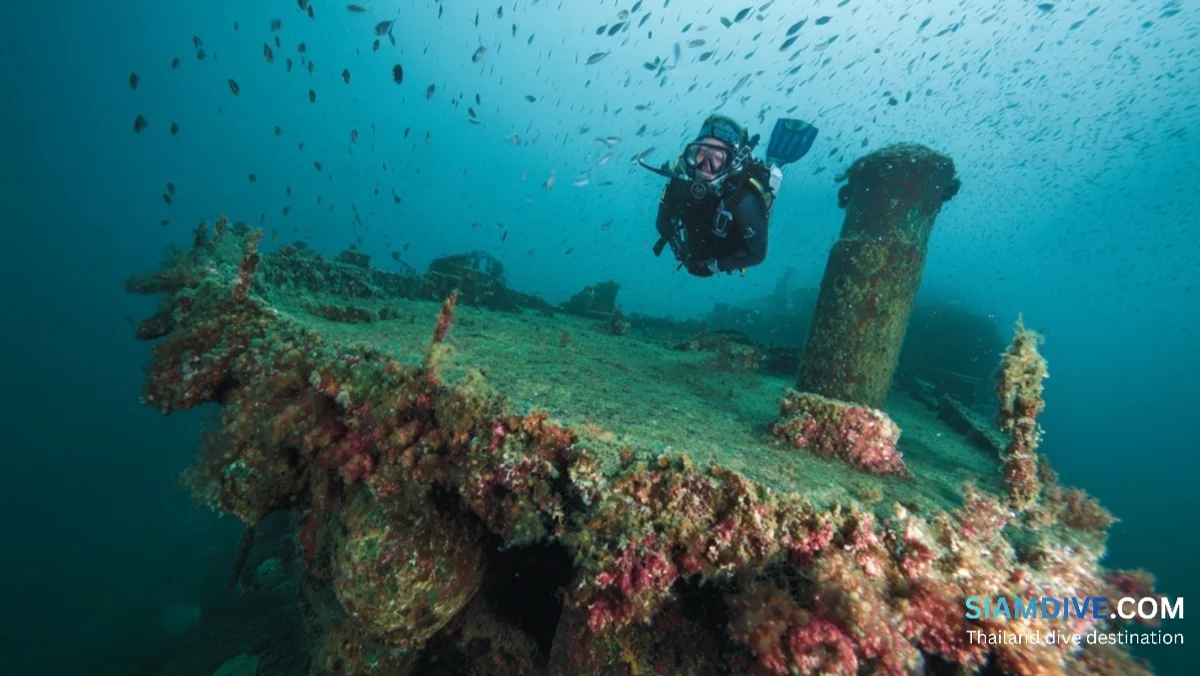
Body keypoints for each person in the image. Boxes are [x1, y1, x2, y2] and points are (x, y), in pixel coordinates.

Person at [640, 115, 817, 277]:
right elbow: (663, 223)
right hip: (697, 244)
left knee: (770, 179)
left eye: (717, 157)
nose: (705, 165)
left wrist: (713, 267)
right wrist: (680, 251)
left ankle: (775, 163)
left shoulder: (744, 199)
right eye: (701, 153)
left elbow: (757, 255)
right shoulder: (681, 180)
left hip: (727, 248)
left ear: (730, 163)